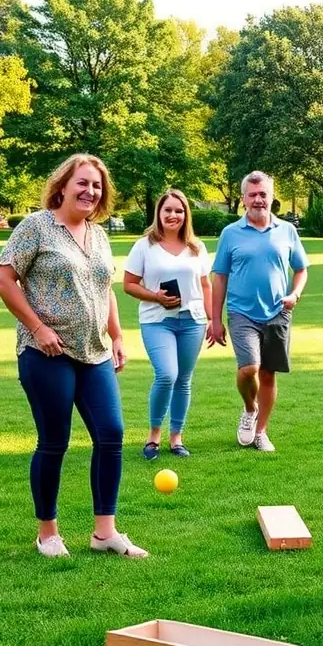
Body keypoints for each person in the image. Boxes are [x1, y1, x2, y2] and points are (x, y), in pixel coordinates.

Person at [0, 154, 148, 559]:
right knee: (54, 441)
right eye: (82, 183)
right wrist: (38, 327)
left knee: (111, 435)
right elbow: (4, 279)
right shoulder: (36, 227)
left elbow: (106, 288)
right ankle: (48, 534)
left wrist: (116, 336)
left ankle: (105, 533)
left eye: (96, 186)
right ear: (63, 185)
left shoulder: (97, 234)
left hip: (94, 351)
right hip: (47, 352)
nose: (90, 191)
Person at [207, 171, 309, 453]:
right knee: (248, 368)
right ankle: (249, 409)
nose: (258, 199)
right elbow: (220, 278)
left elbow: (301, 269)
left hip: (278, 311)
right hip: (242, 312)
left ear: (272, 197)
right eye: (252, 195)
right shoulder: (231, 234)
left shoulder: (287, 231)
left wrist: (295, 293)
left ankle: (261, 431)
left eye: (263, 194)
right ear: (243, 199)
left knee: (267, 375)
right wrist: (215, 320)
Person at [123, 189, 211, 460]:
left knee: (183, 380)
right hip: (157, 321)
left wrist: (211, 319)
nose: (173, 215)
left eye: (179, 211)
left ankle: (177, 438)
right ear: (158, 213)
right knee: (166, 375)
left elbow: (206, 285)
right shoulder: (144, 246)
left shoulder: (197, 247)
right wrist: (156, 297)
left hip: (192, 321)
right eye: (168, 210)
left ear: (186, 215)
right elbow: (128, 284)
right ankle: (153, 437)